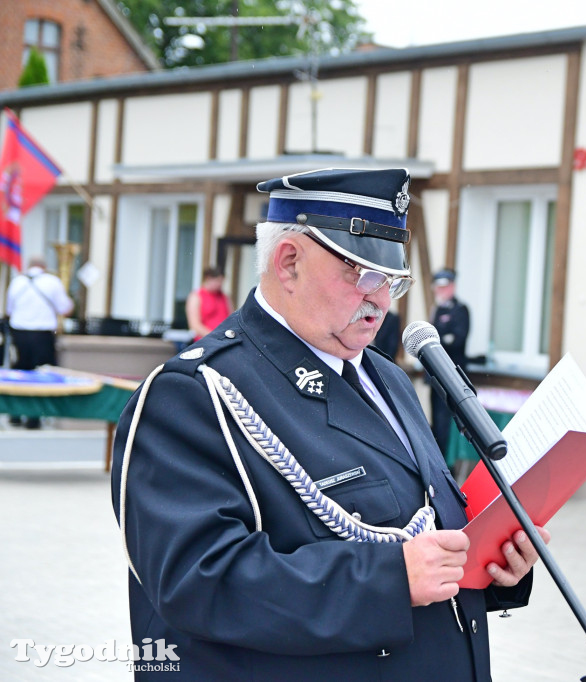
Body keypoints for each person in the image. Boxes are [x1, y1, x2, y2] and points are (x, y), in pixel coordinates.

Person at [110, 168, 546, 681]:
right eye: (364, 273)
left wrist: (495, 567)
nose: (381, 299)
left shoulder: (386, 378)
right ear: (289, 262)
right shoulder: (191, 393)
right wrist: (388, 580)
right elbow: (198, 582)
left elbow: (426, 523)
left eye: (393, 280)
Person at [5, 255, 74, 429]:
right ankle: (34, 417)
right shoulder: (53, 282)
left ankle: (15, 414)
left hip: (19, 333)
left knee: (19, 373)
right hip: (42, 334)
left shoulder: (16, 281)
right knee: (40, 375)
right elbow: (65, 308)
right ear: (44, 266)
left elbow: (9, 309)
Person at [429, 267, 470, 457]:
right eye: (438, 287)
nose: (440, 291)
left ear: (452, 287)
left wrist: (441, 338)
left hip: (452, 376)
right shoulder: (437, 309)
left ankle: (447, 463)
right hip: (436, 375)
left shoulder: (460, 310)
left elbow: (457, 339)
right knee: (436, 420)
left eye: (444, 287)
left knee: (448, 422)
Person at [185, 266, 233, 341]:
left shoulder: (225, 297)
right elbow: (195, 325)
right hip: (205, 341)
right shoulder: (196, 296)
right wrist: (215, 337)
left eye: (221, 281)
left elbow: (232, 318)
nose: (220, 284)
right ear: (208, 278)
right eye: (217, 281)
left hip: (224, 340)